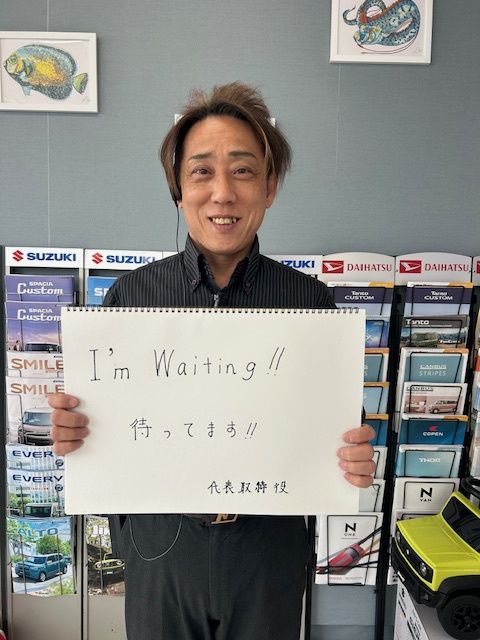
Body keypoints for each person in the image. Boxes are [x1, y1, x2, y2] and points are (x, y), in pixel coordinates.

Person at [49, 82, 376, 640]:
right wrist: (76, 430)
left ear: (269, 188)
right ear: (178, 189)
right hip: (160, 544)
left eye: (243, 171)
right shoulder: (130, 297)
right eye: (202, 171)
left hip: (268, 547)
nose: (223, 193)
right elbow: (106, 424)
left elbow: (331, 428)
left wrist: (351, 455)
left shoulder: (311, 302)